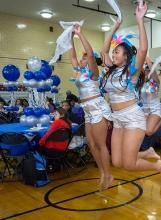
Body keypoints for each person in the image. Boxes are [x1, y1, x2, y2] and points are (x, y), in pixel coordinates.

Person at [100, 2, 161, 176]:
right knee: (117, 161)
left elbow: (143, 48)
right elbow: (103, 51)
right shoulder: (110, 70)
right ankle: (147, 153)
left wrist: (140, 19)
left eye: (118, 52)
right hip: (117, 118)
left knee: (129, 164)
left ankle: (156, 166)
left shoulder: (132, 72)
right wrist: (115, 26)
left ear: (126, 56)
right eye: (114, 52)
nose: (114, 55)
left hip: (132, 117)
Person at [70, 23, 112, 191]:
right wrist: (69, 38)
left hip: (98, 108)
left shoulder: (94, 72)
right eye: (82, 57)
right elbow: (72, 56)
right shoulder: (79, 72)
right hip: (87, 110)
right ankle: (102, 172)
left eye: (85, 57)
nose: (82, 59)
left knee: (101, 144)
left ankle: (108, 174)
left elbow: (92, 57)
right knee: (91, 143)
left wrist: (80, 34)